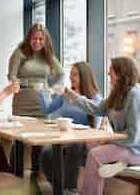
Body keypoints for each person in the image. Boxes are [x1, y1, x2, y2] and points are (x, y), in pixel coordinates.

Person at [65, 56, 140, 195]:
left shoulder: (136, 95)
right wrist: (75, 97)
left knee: (95, 154)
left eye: (111, 70)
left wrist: (108, 140)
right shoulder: (118, 92)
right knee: (90, 144)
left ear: (121, 73)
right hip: (128, 146)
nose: (108, 73)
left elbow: (135, 137)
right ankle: (120, 163)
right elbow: (98, 109)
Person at [7, 23, 64, 173]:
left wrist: (53, 89)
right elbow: (11, 76)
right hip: (22, 103)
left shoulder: (48, 56)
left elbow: (61, 74)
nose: (37, 42)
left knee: (39, 141)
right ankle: (15, 174)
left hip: (42, 104)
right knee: (18, 140)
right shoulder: (20, 53)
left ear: (45, 40)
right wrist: (29, 83)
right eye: (34, 38)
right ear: (29, 38)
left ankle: (35, 175)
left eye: (40, 39)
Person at [39, 62, 102, 192]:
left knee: (75, 146)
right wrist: (42, 92)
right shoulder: (66, 95)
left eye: (75, 74)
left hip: (84, 141)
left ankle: (69, 189)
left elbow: (96, 127)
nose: (71, 77)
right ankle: (59, 188)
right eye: (71, 74)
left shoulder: (94, 98)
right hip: (64, 137)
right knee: (46, 153)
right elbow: (47, 109)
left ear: (84, 76)